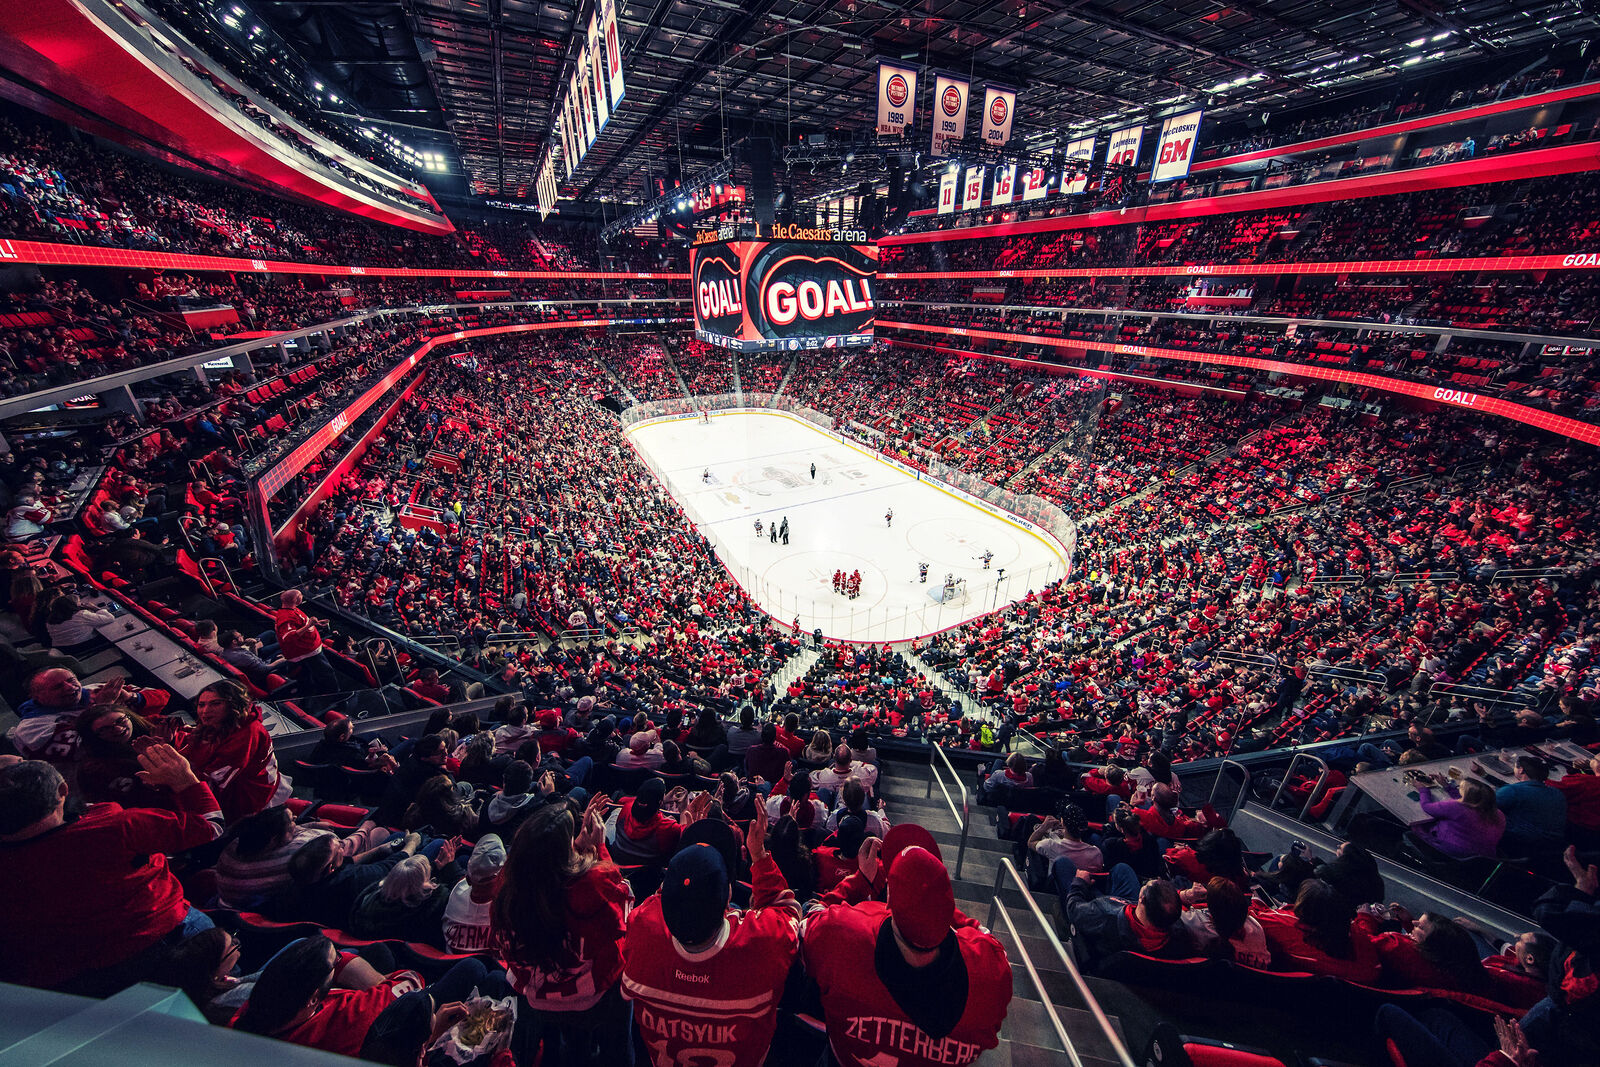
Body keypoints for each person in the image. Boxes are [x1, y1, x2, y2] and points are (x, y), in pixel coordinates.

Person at [0, 747, 224, 993]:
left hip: (69, 975)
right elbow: (211, 827)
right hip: (163, 935)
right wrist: (185, 781)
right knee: (225, 945)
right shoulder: (115, 827)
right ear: (63, 790)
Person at [623, 806, 801, 1066]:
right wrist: (759, 855)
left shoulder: (640, 928)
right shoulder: (762, 944)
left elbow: (663, 898)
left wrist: (686, 850)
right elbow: (786, 908)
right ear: (728, 897)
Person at [803, 844, 1011, 1066]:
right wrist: (937, 908)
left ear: (889, 903)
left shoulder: (840, 931)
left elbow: (808, 913)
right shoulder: (993, 971)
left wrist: (861, 880)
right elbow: (986, 937)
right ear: (947, 907)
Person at [491, 796, 633, 1067]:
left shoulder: (508, 893)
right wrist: (600, 849)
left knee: (574, 1048)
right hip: (597, 996)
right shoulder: (592, 885)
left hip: (543, 999)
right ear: (561, 853)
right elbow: (623, 908)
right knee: (618, 1049)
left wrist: (577, 847)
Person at [231, 934, 504, 1062]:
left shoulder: (245, 1016)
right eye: (334, 964)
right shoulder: (354, 1015)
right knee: (475, 968)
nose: (339, 960)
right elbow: (410, 983)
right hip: (401, 1035)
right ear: (313, 998)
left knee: (379, 951)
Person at [175, 680, 291, 823]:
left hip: (248, 799)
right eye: (201, 705)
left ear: (233, 705)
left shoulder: (248, 734)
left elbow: (213, 781)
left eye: (215, 704)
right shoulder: (220, 721)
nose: (205, 711)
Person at [1059, 865, 1193, 969]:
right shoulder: (1178, 933)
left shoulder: (1105, 915)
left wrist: (1079, 883)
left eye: (1146, 885)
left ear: (1142, 899)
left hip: (1100, 917)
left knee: (1063, 864)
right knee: (1122, 869)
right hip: (1129, 913)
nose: (1145, 883)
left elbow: (1073, 909)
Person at [1254, 878, 1380, 982]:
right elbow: (1366, 937)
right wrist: (1365, 917)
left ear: (1303, 909)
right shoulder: (1366, 953)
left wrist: (1256, 901)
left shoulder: (1285, 925)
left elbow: (1252, 916)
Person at [350, 843, 463, 949]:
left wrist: (434, 868)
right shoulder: (432, 905)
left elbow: (409, 882)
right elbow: (462, 893)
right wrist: (451, 868)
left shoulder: (369, 901)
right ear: (424, 886)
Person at [1181, 877, 1271, 967]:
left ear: (1210, 907)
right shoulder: (1255, 926)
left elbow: (1170, 906)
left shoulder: (1199, 923)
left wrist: (1190, 894)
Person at [1408, 779, 1506, 860]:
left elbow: (1427, 807)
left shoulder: (1455, 807)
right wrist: (1447, 787)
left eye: (1461, 788)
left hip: (1451, 854)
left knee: (1415, 826)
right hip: (1483, 860)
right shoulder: (1499, 814)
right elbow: (1469, 801)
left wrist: (1422, 789)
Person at [442, 833, 507, 952]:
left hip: (453, 962)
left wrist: (449, 866)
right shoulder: (511, 909)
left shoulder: (454, 892)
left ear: (468, 878)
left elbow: (459, 881)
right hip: (491, 966)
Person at [1495, 756, 1568, 855]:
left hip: (1519, 846)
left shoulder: (1513, 791)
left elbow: (1484, 805)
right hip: (1552, 849)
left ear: (1521, 770)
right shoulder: (1557, 793)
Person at [273, 588, 338, 696]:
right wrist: (309, 625)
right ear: (296, 600)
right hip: (307, 652)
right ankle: (335, 696)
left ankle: (317, 691)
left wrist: (316, 624)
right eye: (300, 595)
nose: (302, 596)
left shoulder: (292, 609)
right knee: (326, 674)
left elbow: (301, 625)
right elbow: (288, 637)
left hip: (309, 649)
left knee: (312, 674)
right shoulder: (285, 617)